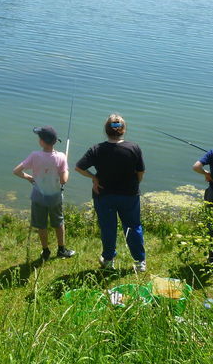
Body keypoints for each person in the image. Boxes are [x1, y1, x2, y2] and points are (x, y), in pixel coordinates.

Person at [75, 114, 146, 272]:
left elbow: (79, 167)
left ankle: (108, 260)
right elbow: (140, 172)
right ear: (123, 130)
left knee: (108, 227)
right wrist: (135, 184)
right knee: (133, 227)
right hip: (129, 195)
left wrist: (94, 178)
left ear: (106, 130)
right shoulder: (133, 148)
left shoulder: (96, 149)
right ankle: (140, 262)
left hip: (104, 195)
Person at [13, 126, 75, 260]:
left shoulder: (35, 155)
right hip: (55, 197)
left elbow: (16, 171)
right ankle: (61, 249)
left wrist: (29, 177)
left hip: (38, 197)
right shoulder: (61, 157)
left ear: (41, 141)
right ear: (54, 142)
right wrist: (66, 169)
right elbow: (63, 180)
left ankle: (45, 251)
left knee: (41, 225)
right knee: (58, 222)